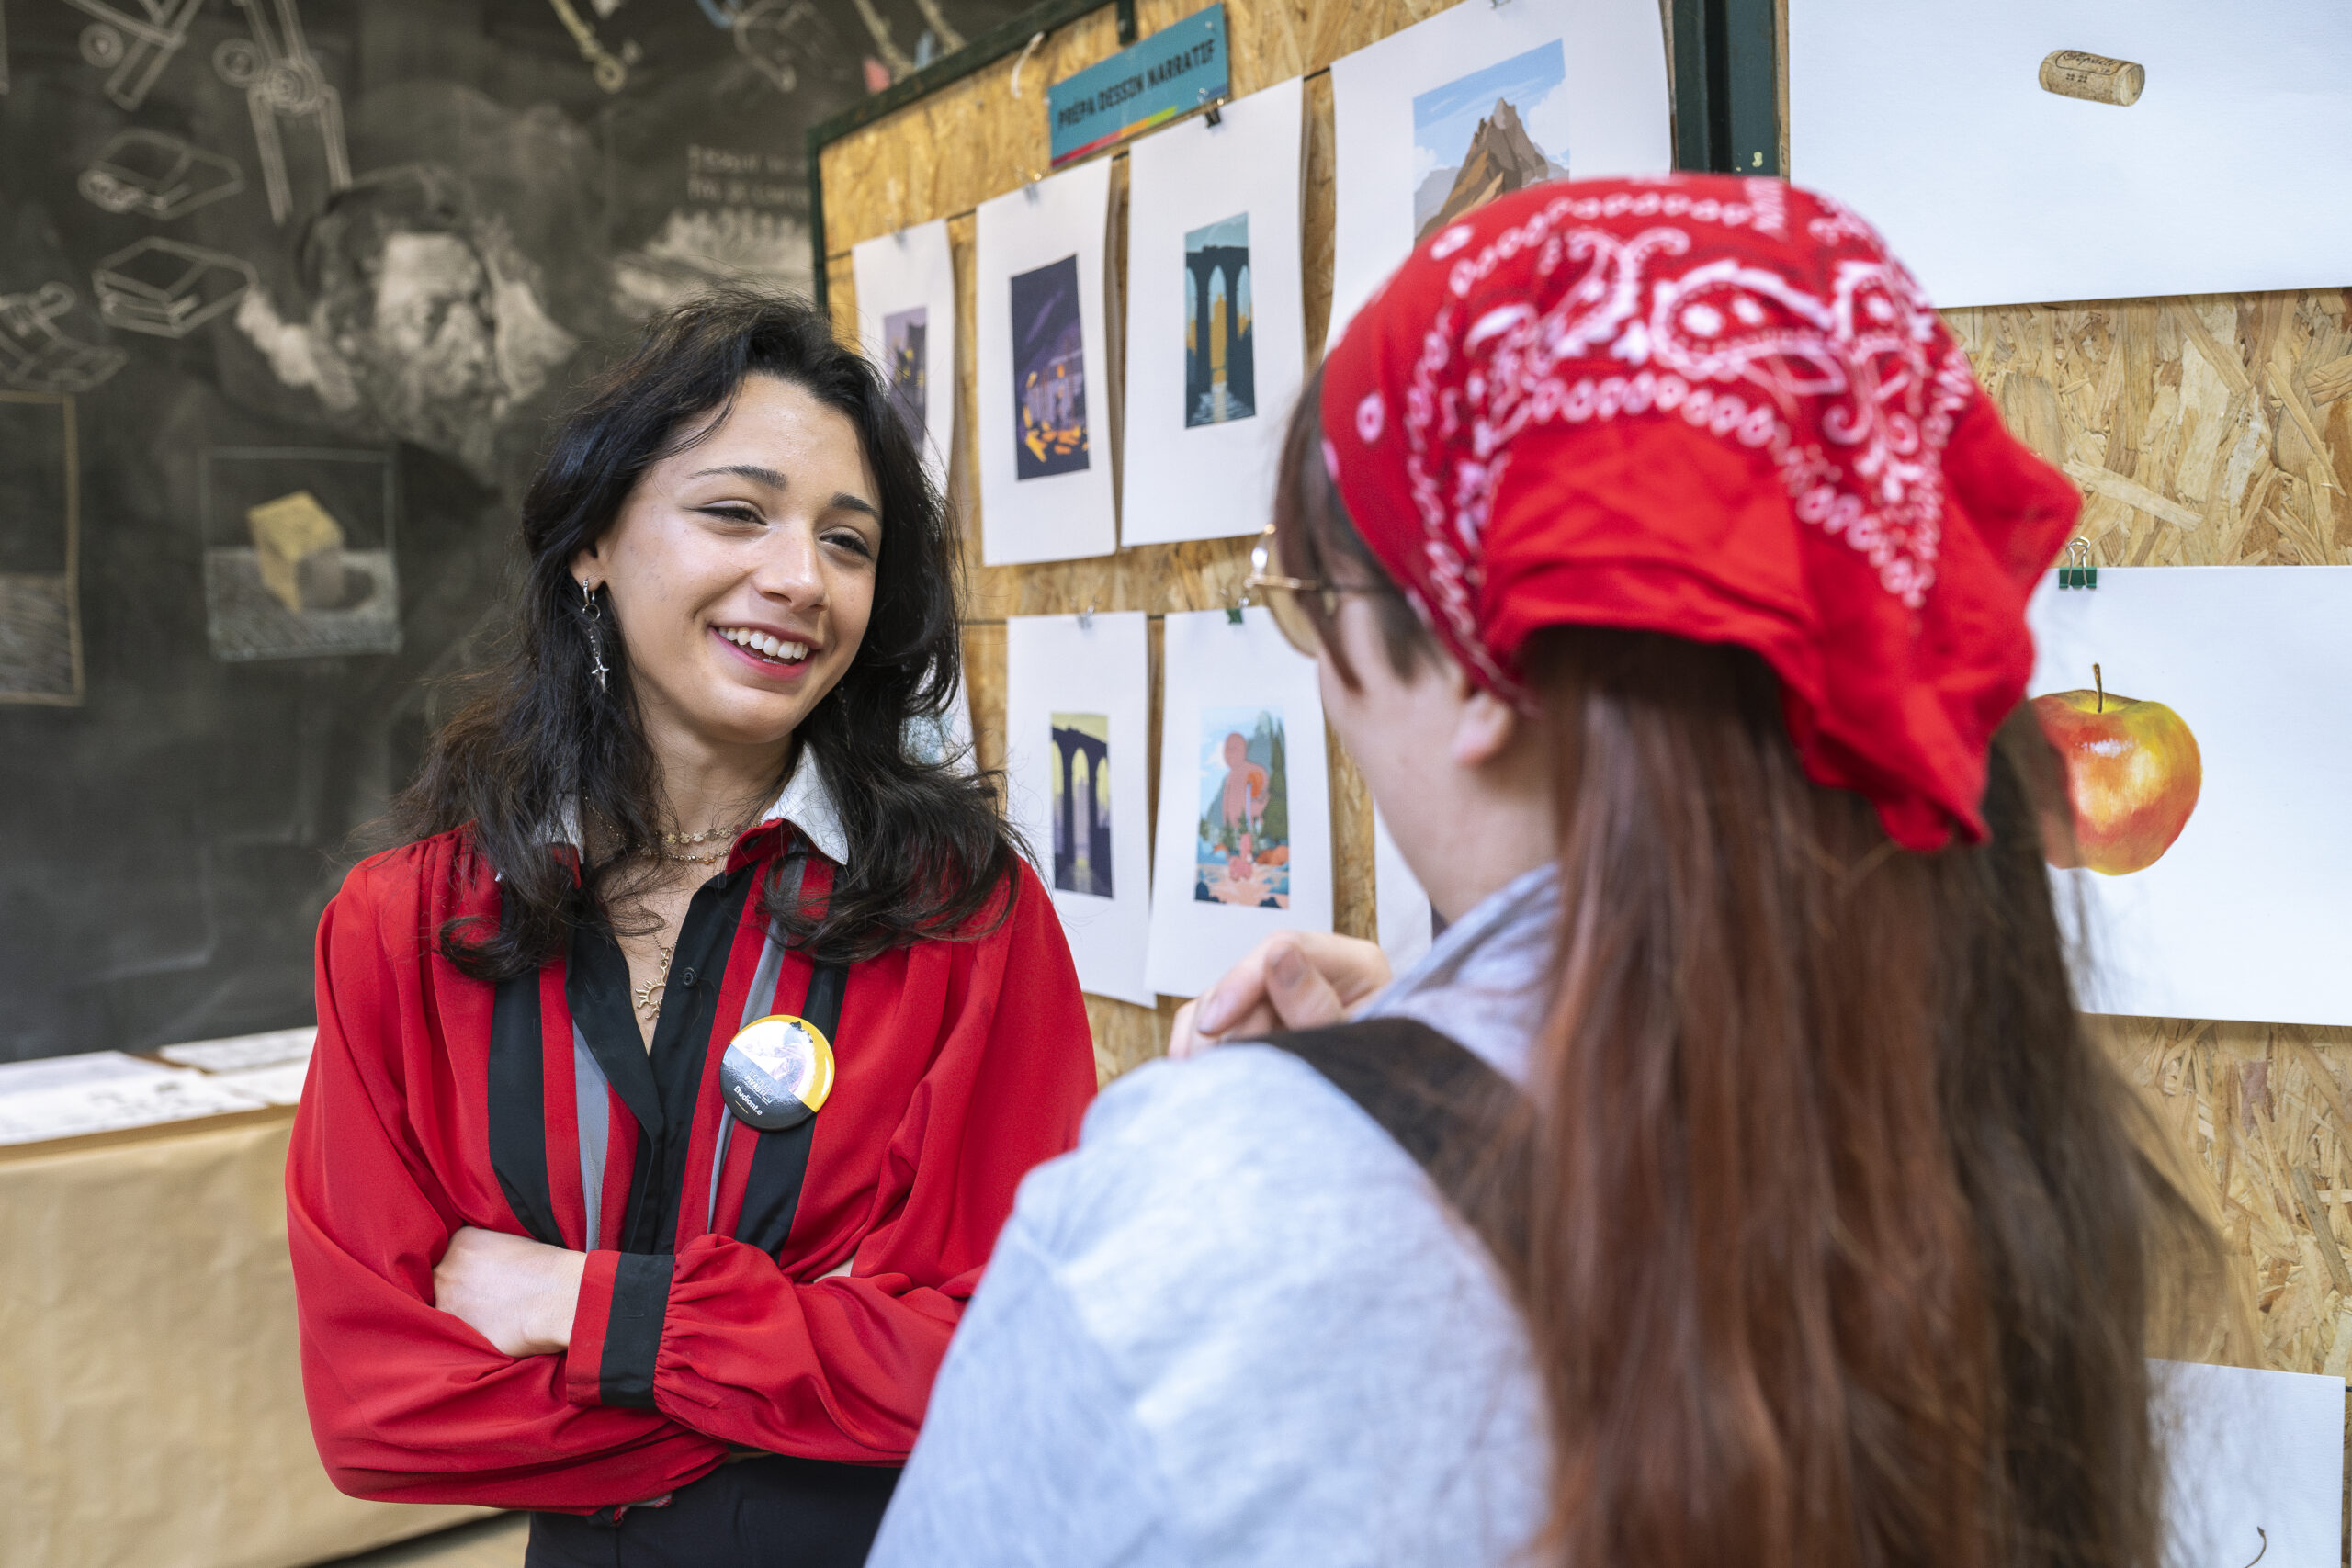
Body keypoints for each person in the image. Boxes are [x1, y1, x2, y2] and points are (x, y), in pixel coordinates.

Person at [867, 176, 2214, 1568]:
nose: (1324, 681)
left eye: (1313, 603)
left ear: (1480, 665)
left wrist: (1322, 1138)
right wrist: (1424, 1066)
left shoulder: (1214, 1203)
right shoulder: (1998, 1119)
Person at [286, 290, 1097, 1567]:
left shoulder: (961, 912)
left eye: (849, 542)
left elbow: (1013, 1355)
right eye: (736, 511)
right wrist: (812, 1364)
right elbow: (382, 1410)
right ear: (595, 542)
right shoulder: (404, 927)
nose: (798, 578)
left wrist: (585, 1309)